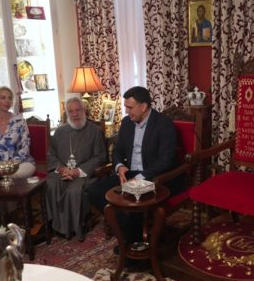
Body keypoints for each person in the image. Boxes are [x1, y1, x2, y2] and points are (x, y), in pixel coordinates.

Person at [86, 86, 180, 246]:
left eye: (130, 107)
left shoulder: (164, 124)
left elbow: (166, 160)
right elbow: (117, 151)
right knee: (93, 191)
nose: (127, 112)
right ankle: (128, 229)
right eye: (126, 107)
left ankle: (134, 243)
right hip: (128, 173)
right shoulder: (127, 123)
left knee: (136, 202)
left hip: (154, 176)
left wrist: (140, 177)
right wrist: (119, 166)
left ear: (143, 107)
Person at [45, 96, 107, 240]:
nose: (75, 114)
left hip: (84, 173)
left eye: (78, 110)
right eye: (71, 111)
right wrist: (61, 169)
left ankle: (74, 228)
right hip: (63, 171)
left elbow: (100, 157)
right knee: (51, 184)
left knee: (74, 190)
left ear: (84, 110)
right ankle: (55, 225)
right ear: (67, 114)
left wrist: (77, 171)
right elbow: (51, 155)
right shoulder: (60, 132)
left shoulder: (95, 131)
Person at [0, 86, 35, 178]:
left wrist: (10, 166)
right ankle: (2, 176)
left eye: (9, 98)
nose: (7, 101)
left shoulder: (20, 121)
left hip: (21, 164)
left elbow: (25, 147)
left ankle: (4, 177)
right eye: (3, 98)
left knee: (14, 174)